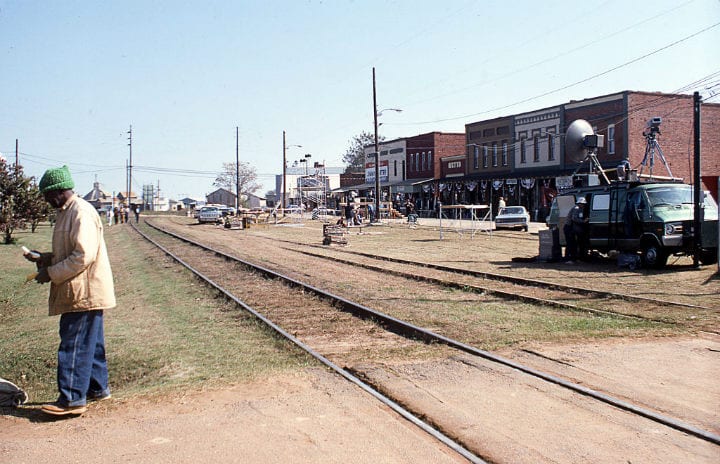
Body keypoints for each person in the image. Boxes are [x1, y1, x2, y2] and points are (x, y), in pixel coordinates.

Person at [24, 165, 116, 416]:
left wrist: (50, 273)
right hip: (82, 289)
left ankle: (72, 400)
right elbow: (70, 252)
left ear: (57, 192)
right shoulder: (67, 212)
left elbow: (82, 257)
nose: (45, 201)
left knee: (74, 344)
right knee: (91, 343)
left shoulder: (81, 212)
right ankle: (97, 389)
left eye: (46, 196)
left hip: (84, 291)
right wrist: (45, 258)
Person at [564, 197, 588, 262]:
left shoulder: (580, 209)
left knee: (573, 243)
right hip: (568, 227)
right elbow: (574, 218)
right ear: (579, 203)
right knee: (570, 243)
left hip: (570, 227)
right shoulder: (576, 208)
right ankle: (568, 259)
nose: (583, 205)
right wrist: (583, 221)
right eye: (582, 204)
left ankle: (572, 258)